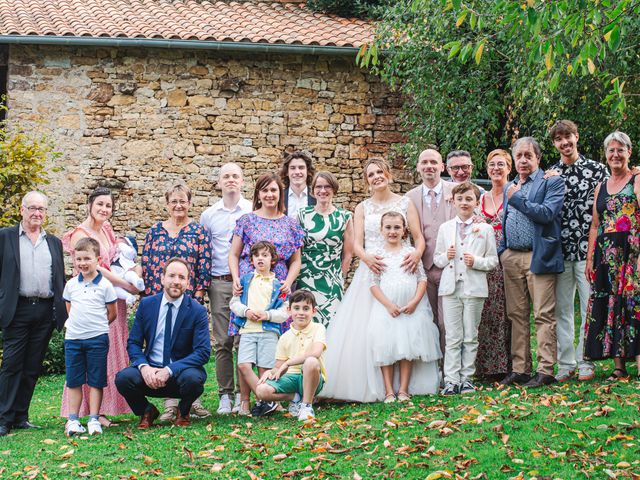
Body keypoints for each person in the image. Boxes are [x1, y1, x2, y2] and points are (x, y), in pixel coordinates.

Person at [323, 158, 433, 402]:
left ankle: (404, 386)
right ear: (367, 181)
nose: (376, 177)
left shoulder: (405, 203)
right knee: (371, 328)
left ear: (388, 174)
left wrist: (416, 254)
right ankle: (373, 386)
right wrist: (367, 259)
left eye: (379, 172)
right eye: (371, 174)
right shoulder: (362, 207)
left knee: (406, 328)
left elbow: (418, 237)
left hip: (402, 267)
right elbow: (355, 243)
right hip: (373, 269)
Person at [61, 186, 137, 425]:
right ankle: (93, 411)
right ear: (90, 205)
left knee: (111, 350)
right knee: (94, 351)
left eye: (108, 206)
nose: (104, 209)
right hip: (92, 300)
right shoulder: (79, 233)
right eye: (100, 204)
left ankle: (108, 405)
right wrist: (126, 283)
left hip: (111, 297)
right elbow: (98, 267)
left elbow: (115, 258)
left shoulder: (106, 229)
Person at [228, 172, 304, 410]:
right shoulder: (247, 220)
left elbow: (296, 260)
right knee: (245, 345)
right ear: (258, 194)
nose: (269, 195)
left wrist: (288, 282)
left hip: (276, 287)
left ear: (280, 194)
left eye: (274, 190)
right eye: (265, 190)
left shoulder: (290, 223)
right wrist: (236, 279)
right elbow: (234, 253)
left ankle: (271, 396)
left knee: (274, 344)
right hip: (249, 287)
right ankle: (245, 401)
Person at [141, 182, 212, 421]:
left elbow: (204, 264)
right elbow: (148, 266)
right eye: (174, 201)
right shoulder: (154, 232)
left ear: (190, 203)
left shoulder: (199, 231)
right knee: (164, 347)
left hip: (189, 300)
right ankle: (170, 404)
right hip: (162, 299)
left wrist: (199, 296)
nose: (178, 205)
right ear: (167, 204)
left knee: (188, 347)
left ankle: (191, 400)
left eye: (183, 201)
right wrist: (153, 299)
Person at [545, 120, 608, 382]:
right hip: (561, 252)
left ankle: (586, 362)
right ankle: (565, 363)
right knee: (562, 310)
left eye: (568, 137)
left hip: (588, 251)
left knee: (589, 307)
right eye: (559, 139)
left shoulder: (597, 170)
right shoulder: (550, 174)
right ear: (554, 144)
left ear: (577, 137)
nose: (564, 143)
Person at [0, 192, 68, 437]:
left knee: (31, 367)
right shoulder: (5, 237)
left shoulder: (53, 242)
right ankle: (3, 418)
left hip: (45, 310)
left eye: (42, 209)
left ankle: (21, 416)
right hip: (17, 309)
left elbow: (59, 277)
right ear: (22, 210)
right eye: (32, 208)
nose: (37, 213)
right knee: (11, 365)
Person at [499, 137, 565, 388]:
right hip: (512, 257)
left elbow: (547, 214)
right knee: (516, 315)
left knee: (543, 314)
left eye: (529, 155)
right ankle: (520, 369)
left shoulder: (551, 181)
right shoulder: (511, 185)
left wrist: (517, 199)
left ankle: (546, 370)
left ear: (538, 158)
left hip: (539, 255)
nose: (524, 160)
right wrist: (503, 251)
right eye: (519, 156)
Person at [115, 258, 211, 428]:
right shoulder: (147, 305)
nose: (176, 281)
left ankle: (184, 410)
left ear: (188, 282)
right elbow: (134, 343)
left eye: (182, 277)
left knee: (194, 379)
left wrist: (169, 370)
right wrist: (144, 367)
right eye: (171, 276)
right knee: (123, 378)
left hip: (180, 373)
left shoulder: (197, 311)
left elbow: (202, 352)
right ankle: (146, 411)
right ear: (162, 278)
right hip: (150, 372)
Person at [584, 131, 640, 380]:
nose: (615, 154)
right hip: (606, 255)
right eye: (611, 150)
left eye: (621, 149)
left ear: (629, 152)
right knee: (611, 303)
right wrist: (589, 258)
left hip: (632, 251)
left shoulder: (636, 179)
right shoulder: (600, 187)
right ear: (605, 155)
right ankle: (619, 367)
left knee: (634, 303)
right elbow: (595, 224)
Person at [369, 211, 442, 403]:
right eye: (388, 227)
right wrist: (387, 304)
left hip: (410, 309)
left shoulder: (410, 252)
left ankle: (403, 389)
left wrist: (415, 301)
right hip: (386, 309)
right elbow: (373, 283)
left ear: (404, 230)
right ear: (381, 230)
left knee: (407, 348)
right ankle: (388, 391)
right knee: (385, 348)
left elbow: (422, 278)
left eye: (397, 227)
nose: (392, 231)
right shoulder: (377, 254)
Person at [434, 183, 498, 395]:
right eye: (460, 199)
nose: (464, 203)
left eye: (469, 199)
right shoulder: (445, 228)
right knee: (453, 336)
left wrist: (476, 262)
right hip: (450, 289)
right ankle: (451, 379)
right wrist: (446, 257)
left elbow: (493, 261)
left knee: (470, 335)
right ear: (453, 202)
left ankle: (467, 378)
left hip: (474, 289)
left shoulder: (485, 229)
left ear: (476, 202)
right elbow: (437, 258)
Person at [200, 162, 252, 415]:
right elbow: (205, 252)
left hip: (248, 283)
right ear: (219, 182)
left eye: (235, 176)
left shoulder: (252, 209)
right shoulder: (209, 215)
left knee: (246, 340)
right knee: (223, 342)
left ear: (242, 181)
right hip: (219, 282)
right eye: (226, 177)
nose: (231, 180)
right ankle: (225, 395)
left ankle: (246, 394)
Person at [62, 238, 118, 436]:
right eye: (79, 259)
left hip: (97, 339)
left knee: (96, 380)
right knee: (74, 380)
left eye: (87, 258)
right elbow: (70, 309)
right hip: (74, 340)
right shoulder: (70, 285)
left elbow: (112, 313)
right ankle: (74, 419)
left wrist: (96, 327)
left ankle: (94, 418)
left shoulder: (105, 285)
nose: (82, 263)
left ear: (98, 259)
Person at [230, 241, 289, 416]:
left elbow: (285, 312)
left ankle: (262, 403)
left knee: (265, 369)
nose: (260, 259)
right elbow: (233, 303)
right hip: (247, 330)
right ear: (252, 260)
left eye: (265, 255)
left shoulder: (279, 284)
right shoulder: (244, 280)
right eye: (256, 256)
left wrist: (267, 315)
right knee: (243, 365)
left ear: (273, 260)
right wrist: (246, 311)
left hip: (268, 331)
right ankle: (262, 400)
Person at [406, 148, 457, 351]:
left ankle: (449, 370)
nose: (429, 166)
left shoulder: (456, 191)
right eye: (424, 162)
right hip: (422, 268)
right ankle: (432, 368)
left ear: (442, 166)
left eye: (434, 162)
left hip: (450, 266)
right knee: (428, 320)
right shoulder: (409, 197)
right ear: (418, 167)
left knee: (448, 322)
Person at [256, 290, 326, 421]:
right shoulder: (284, 337)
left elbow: (316, 352)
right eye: (296, 308)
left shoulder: (318, 328)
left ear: (313, 311)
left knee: (311, 361)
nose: (301, 312)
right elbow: (278, 367)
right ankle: (295, 398)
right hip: (290, 378)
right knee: (261, 390)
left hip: (311, 377)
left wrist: (288, 363)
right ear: (289, 310)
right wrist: (270, 372)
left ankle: (306, 406)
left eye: (306, 308)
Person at [296, 171, 354, 326]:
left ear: (334, 189)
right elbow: (297, 250)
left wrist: (340, 276)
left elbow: (348, 254)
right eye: (318, 186)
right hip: (307, 277)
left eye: (327, 186)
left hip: (332, 279)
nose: (323, 190)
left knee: (332, 322)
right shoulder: (302, 214)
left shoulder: (345, 216)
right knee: (307, 321)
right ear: (313, 190)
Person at [476, 149, 513, 381]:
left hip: (509, 259)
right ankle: (486, 367)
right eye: (492, 165)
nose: (496, 169)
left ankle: (508, 365)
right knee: (486, 313)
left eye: (501, 164)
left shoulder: (515, 193)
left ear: (509, 168)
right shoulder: (480, 197)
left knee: (509, 314)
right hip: (486, 263)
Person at [280, 151, 316, 218]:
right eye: (292, 168)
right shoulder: (279, 197)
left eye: (301, 167)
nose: (297, 172)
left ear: (308, 171)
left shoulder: (316, 197)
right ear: (287, 172)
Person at [110, 236, 145, 305]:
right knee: (113, 288)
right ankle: (127, 296)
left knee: (130, 275)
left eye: (120, 239)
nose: (116, 239)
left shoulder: (126, 252)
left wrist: (121, 245)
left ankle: (138, 282)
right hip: (114, 274)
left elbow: (130, 252)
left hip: (125, 271)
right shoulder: (114, 250)